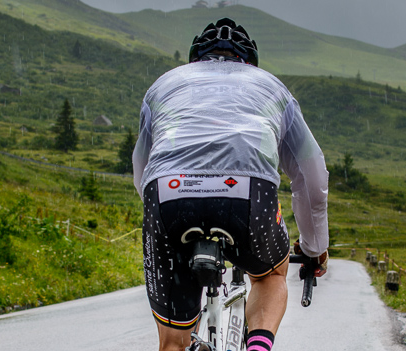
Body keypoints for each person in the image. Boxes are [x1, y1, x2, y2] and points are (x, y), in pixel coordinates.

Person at [133, 17, 330, 351]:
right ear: (249, 63)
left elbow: (142, 169)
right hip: (247, 194)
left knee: (172, 340)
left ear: (195, 60)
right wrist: (314, 248)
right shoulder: (272, 87)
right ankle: (257, 347)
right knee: (270, 276)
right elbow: (311, 177)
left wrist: (173, 210)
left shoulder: (164, 85)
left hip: (167, 193)